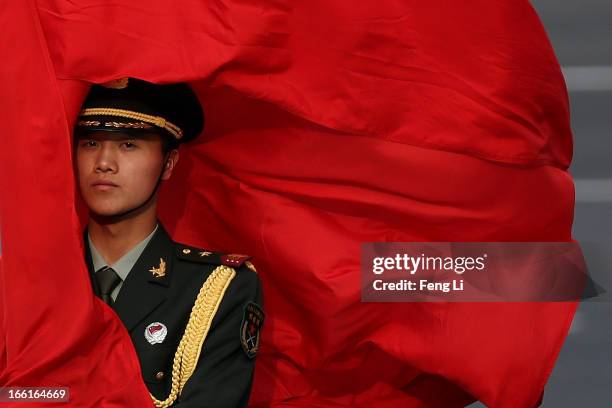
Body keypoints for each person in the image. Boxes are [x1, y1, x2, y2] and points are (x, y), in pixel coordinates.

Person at [73, 78, 264, 407]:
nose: (103, 162)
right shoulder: (26, 277)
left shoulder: (215, 289)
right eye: (90, 142)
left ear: (169, 164)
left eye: (128, 144)